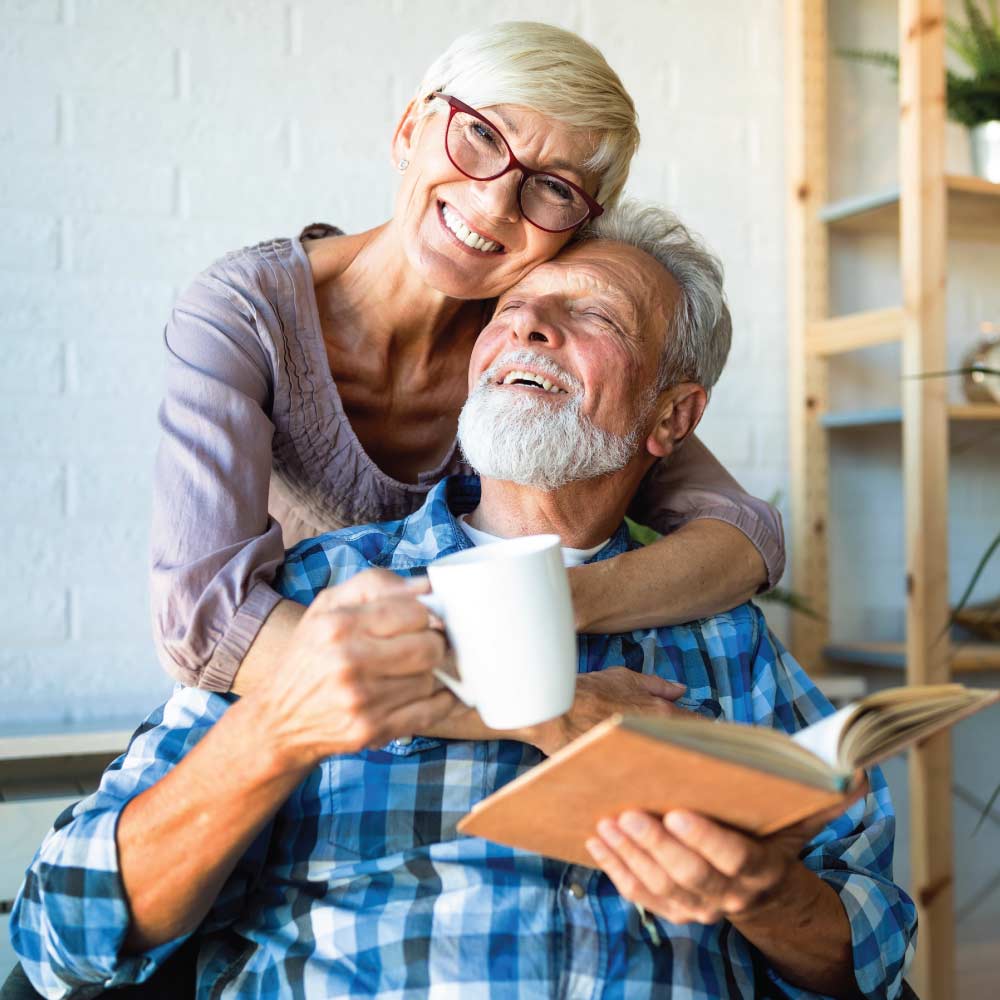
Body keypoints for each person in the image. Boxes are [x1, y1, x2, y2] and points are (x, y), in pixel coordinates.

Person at [14, 203, 912, 999]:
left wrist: (767, 896)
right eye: (509, 312)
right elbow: (57, 931)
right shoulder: (318, 598)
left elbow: (870, 948)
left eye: (590, 314)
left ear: (672, 419)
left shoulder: (727, 640)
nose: (529, 329)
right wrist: (278, 731)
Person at [152, 21, 785, 705]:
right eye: (481, 134)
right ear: (408, 131)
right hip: (284, 701)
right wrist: (524, 712)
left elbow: (742, 539)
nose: (492, 201)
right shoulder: (243, 314)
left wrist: (541, 606)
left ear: (579, 226)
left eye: (554, 187)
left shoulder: (527, 346)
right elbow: (204, 629)